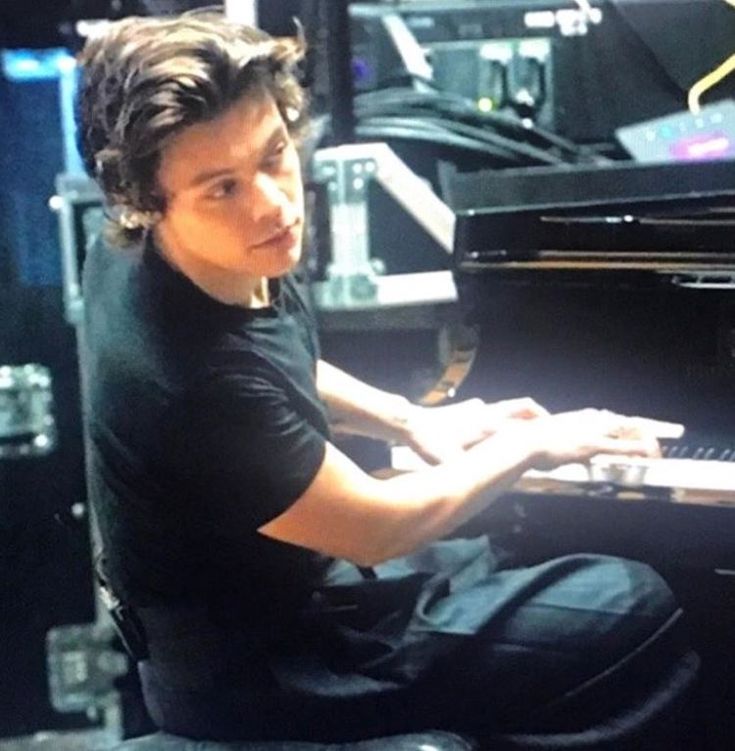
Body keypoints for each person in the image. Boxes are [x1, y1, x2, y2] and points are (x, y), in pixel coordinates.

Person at [76, 12, 701, 747]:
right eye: (222, 188)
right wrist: (534, 445)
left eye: (274, 154)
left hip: (285, 606)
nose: (274, 205)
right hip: (268, 673)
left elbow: (274, 356)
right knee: (640, 601)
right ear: (147, 201)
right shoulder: (188, 380)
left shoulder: (173, 256)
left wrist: (412, 419)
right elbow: (375, 527)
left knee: (520, 546)